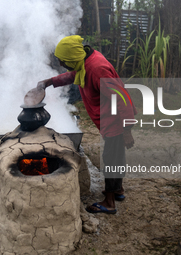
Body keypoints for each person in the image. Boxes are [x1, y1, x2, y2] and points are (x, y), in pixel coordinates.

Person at [37, 35, 137, 214]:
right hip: (108, 119)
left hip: (115, 120)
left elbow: (121, 98)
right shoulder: (84, 61)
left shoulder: (97, 69)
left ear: (72, 58)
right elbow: (73, 74)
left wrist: (127, 130)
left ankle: (109, 202)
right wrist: (50, 82)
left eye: (63, 61)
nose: (62, 64)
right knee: (117, 156)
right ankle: (118, 190)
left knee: (111, 159)